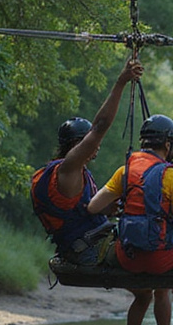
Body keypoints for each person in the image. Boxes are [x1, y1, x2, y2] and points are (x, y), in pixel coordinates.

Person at [87, 114, 173, 325]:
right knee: (163, 286)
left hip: (128, 255)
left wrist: (118, 207)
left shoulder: (125, 169)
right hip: (158, 258)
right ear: (168, 144)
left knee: (143, 294)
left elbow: (93, 207)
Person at [30, 56, 142, 264]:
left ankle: (146, 299)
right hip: (87, 250)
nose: (95, 145)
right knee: (151, 254)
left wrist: (109, 208)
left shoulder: (77, 173)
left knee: (145, 296)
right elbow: (100, 126)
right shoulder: (68, 169)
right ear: (75, 144)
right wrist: (121, 81)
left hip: (87, 243)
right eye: (87, 142)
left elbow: (79, 212)